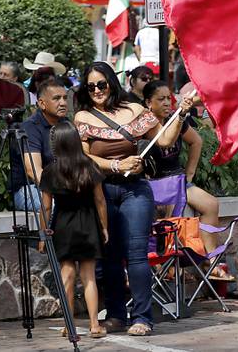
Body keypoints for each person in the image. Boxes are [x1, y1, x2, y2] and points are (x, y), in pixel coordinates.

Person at [74, 61, 193, 337]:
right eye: (91, 86)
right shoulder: (82, 117)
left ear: (111, 84)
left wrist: (180, 114)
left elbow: (163, 141)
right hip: (103, 191)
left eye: (101, 84)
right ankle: (116, 314)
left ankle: (142, 317)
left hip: (135, 189)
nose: (96, 91)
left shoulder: (134, 110)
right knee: (110, 256)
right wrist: (115, 165)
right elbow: (84, 157)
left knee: (137, 254)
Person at [143, 80, 227, 258]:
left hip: (177, 180)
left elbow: (196, 141)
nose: (166, 103)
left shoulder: (175, 119)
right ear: (149, 103)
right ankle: (168, 264)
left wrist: (189, 174)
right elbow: (166, 140)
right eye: (161, 99)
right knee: (170, 212)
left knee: (211, 204)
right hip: (154, 185)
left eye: (168, 98)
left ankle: (210, 258)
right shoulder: (145, 124)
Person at [39, 121, 108, 339]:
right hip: (88, 223)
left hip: (63, 225)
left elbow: (46, 207)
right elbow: (100, 201)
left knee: (66, 275)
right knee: (89, 277)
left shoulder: (51, 171)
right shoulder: (90, 166)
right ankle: (95, 325)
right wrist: (104, 227)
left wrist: (43, 233)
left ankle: (69, 325)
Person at [9, 78, 69, 211]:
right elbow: (33, 171)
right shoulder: (30, 127)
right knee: (58, 207)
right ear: (42, 103)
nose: (63, 103)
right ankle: (47, 233)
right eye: (57, 98)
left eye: (65, 98)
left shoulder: (67, 124)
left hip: (60, 186)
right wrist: (62, 193)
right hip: (28, 188)